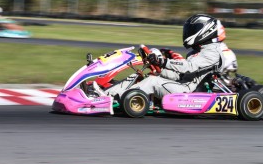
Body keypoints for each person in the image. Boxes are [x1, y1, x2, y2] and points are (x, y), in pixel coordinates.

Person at [96, 14, 238, 102]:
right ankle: (105, 93)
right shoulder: (199, 51)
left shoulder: (212, 53)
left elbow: (188, 68)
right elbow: (181, 75)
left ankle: (115, 98)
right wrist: (157, 67)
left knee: (152, 82)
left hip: (188, 92)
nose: (188, 33)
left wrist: (162, 62)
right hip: (182, 84)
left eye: (192, 30)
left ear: (204, 31)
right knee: (147, 75)